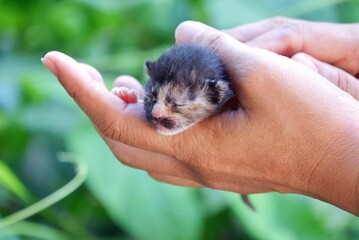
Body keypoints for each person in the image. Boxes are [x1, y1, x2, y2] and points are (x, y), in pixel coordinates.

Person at [42, 17, 359, 216]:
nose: (154, 112)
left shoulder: (239, 97)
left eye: (175, 105)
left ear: (217, 95)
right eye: (152, 96)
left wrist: (331, 162)